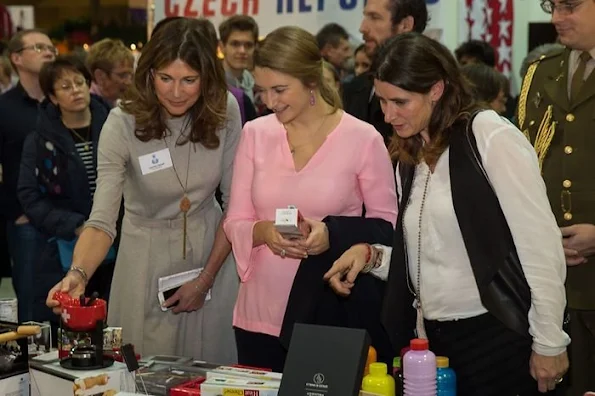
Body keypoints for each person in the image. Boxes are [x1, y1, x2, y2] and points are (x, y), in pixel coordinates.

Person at [325, 33, 569, 395]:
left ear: (436, 89)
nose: (388, 114)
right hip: (435, 343)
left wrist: (550, 341)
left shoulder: (488, 135)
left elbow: (540, 246)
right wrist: (372, 256)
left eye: (400, 102)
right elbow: (430, 256)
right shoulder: (409, 154)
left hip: (498, 336)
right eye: (383, 101)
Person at [45, 18, 240, 363]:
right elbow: (103, 220)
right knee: (145, 372)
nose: (176, 92)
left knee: (211, 370)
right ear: (149, 73)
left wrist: (206, 279)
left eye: (189, 80)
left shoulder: (224, 109)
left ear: (206, 78)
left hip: (212, 255)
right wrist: (78, 274)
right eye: (166, 78)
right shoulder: (122, 123)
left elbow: (237, 205)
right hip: (144, 262)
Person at [223, 26, 397, 372]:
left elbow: (387, 226)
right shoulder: (255, 134)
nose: (270, 102)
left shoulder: (363, 138)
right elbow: (235, 220)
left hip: (329, 311)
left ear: (311, 81)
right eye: (262, 91)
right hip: (259, 312)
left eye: (280, 90)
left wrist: (333, 235)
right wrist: (264, 232)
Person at [517, 1, 595, 394]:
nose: (556, 18)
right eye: (552, 5)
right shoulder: (542, 73)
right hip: (551, 288)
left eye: (570, 6)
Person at [17, 56, 111, 330]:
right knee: (73, 319)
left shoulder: (114, 126)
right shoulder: (39, 139)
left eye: (80, 82)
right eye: (65, 86)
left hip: (118, 236)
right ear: (52, 97)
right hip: (66, 242)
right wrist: (75, 225)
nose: (76, 90)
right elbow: (28, 195)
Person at [0, 29, 56, 322]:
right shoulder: (4, 108)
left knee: (69, 304)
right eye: (39, 47)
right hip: (27, 222)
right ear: (17, 58)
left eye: (51, 48)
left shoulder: (61, 104)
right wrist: (14, 211)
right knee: (32, 312)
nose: (48, 52)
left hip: (68, 219)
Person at [342, 0, 428, 145]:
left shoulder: (431, 87)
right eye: (365, 17)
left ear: (405, 25)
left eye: (374, 17)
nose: (362, 28)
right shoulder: (354, 87)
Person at [219, 15, 258, 104]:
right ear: (222, 47)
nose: (242, 51)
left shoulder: (256, 85)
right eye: (235, 44)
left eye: (248, 45)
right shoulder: (211, 83)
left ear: (255, 48)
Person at [85, 38, 134, 108]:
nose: (129, 82)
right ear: (100, 77)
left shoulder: (113, 103)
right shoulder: (92, 112)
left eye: (131, 75)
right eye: (122, 75)